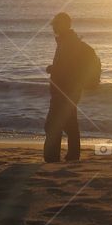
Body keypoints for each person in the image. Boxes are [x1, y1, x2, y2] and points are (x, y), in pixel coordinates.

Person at [43, 12, 100, 163]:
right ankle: (72, 156)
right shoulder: (67, 41)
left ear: (64, 25)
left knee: (53, 124)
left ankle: (53, 158)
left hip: (64, 90)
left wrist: (52, 69)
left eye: (56, 24)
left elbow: (67, 69)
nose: (53, 27)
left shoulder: (68, 43)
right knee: (70, 124)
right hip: (70, 90)